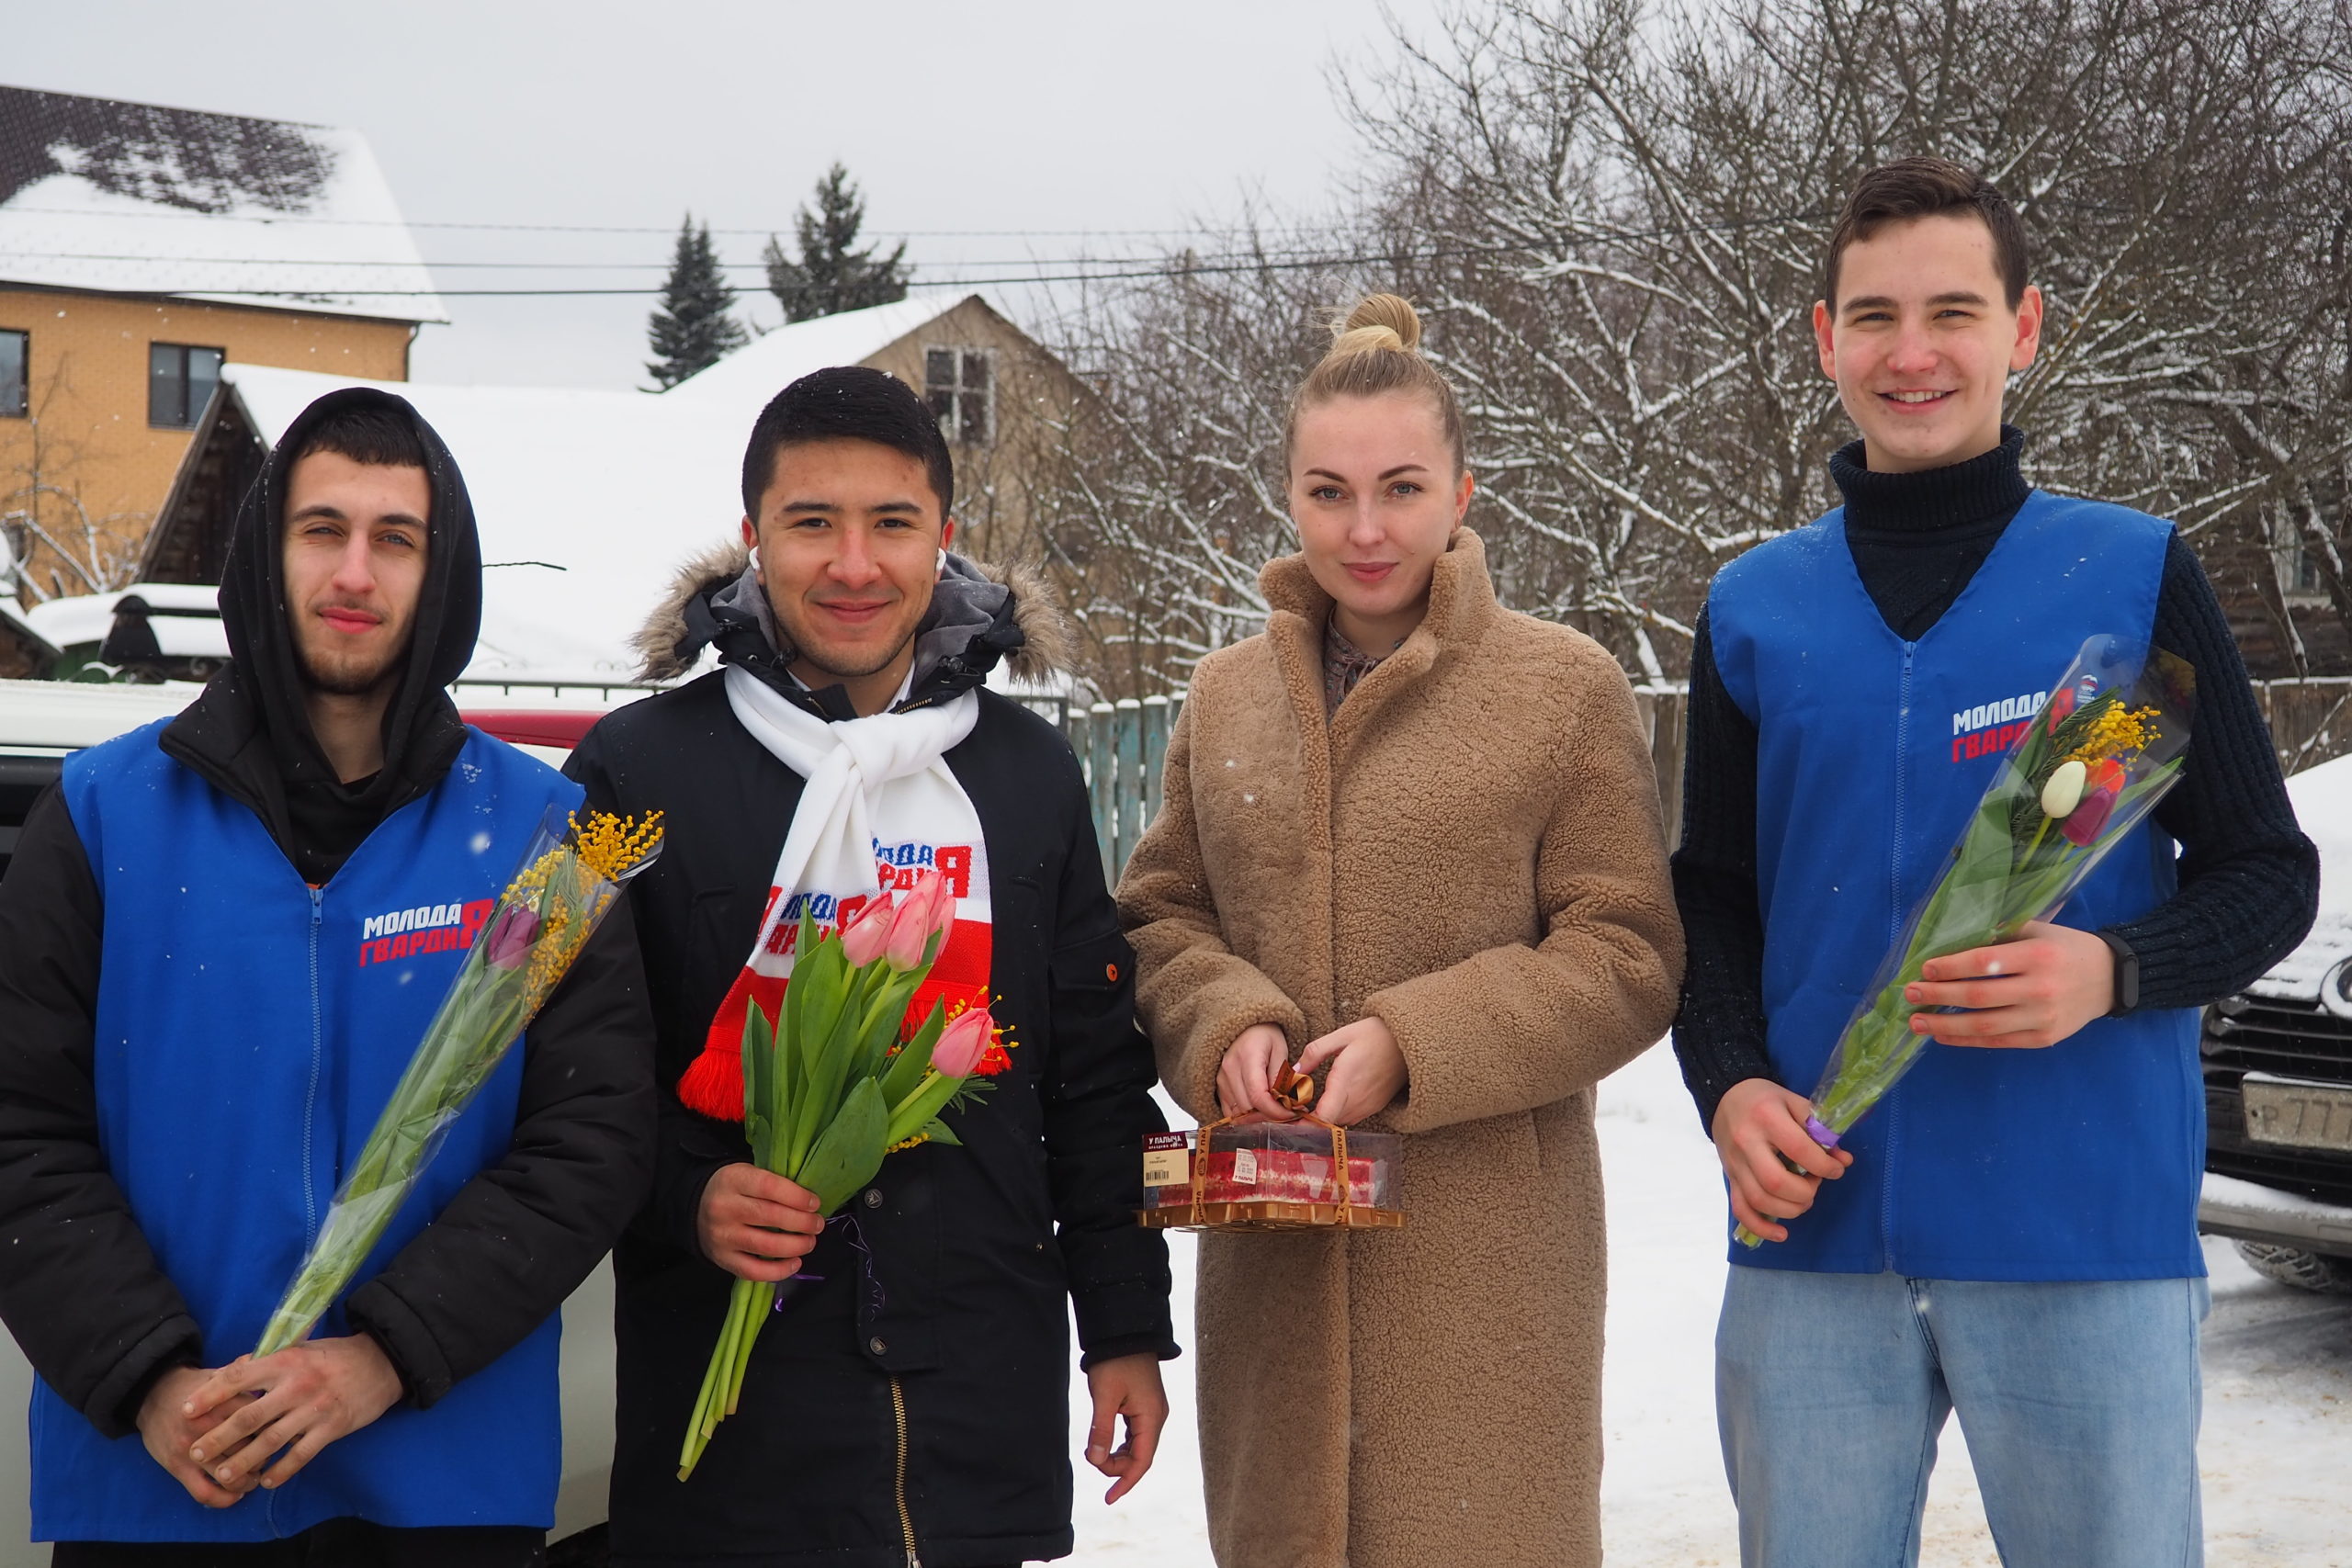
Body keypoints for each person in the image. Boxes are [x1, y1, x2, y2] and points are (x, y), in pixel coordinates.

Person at [1672, 157, 2321, 1568]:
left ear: (2024, 329)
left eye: (1953, 311)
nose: (1914, 353)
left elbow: (2267, 870)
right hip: (1816, 1231)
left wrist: (2116, 964)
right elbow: (1710, 902)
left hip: (2079, 1226)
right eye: (1875, 315)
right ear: (1823, 337)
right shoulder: (1755, 609)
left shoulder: (2130, 578)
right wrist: (1729, 1087)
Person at [0, 388, 656, 1564]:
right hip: (161, 1483)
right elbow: (17, 1126)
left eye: (395, 539)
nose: (356, 571)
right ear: (267, 551)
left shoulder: (546, 841)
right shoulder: (102, 816)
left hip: (439, 1479)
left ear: (440, 574)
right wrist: (149, 1378)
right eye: (323, 529)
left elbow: (590, 1142)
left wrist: (384, 1358)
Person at [1118, 294, 1685, 1568]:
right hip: (1275, 1267)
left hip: (1487, 1274)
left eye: (1400, 487)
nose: (1364, 528)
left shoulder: (1563, 687)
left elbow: (1629, 951)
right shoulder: (1225, 696)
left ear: (1463, 490)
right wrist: (1228, 1027)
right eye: (1328, 490)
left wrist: (1412, 1041)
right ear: (1289, 493)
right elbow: (1162, 911)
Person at [576, 366, 1174, 1568]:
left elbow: (1094, 1083)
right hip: (731, 1451)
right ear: (752, 539)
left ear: (944, 538)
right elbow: (562, 1081)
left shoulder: (1027, 776)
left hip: (970, 1434)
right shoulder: (634, 769)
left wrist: (1123, 1324)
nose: (854, 564)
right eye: (812, 522)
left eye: (892, 523)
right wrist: (687, 1193)